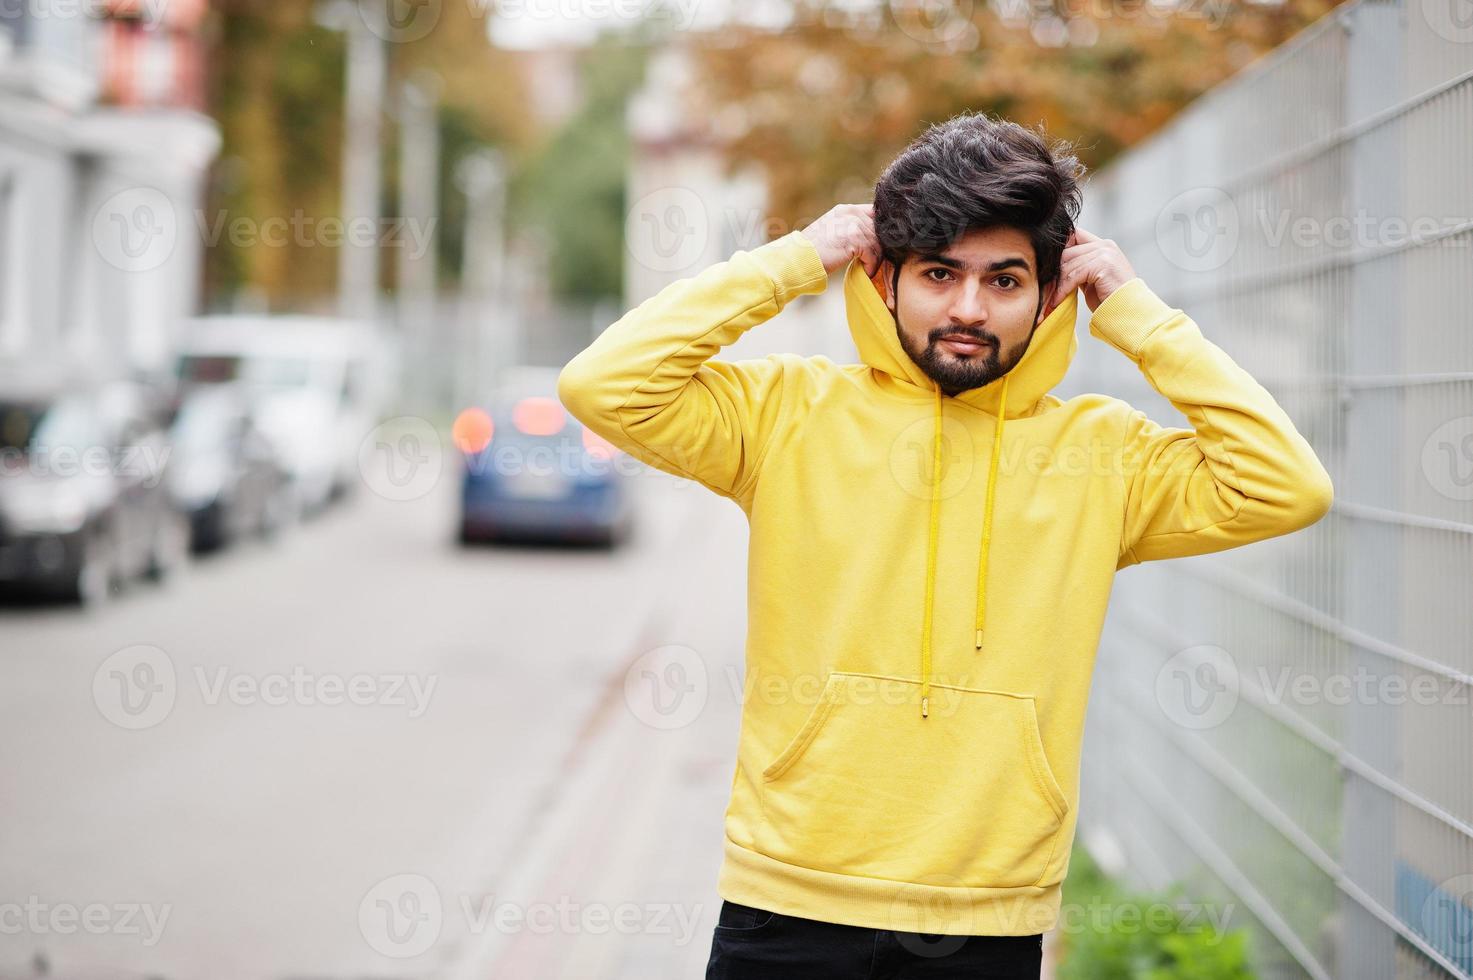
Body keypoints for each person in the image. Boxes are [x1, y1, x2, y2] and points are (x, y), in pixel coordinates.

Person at [557, 111, 1333, 979]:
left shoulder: (1103, 456)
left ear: (1049, 294)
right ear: (883, 280)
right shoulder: (786, 415)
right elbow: (603, 385)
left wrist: (1136, 311)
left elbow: (1286, 485)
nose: (968, 308)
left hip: (986, 915)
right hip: (789, 899)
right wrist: (792, 261)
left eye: (1004, 280)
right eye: (939, 274)